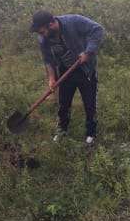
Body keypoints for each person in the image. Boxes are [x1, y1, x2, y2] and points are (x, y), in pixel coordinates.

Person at [29, 10, 104, 145]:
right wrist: (51, 79)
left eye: (41, 31)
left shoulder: (74, 21)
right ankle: (61, 131)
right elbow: (48, 60)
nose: (40, 35)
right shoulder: (43, 39)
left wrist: (88, 52)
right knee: (63, 105)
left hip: (85, 70)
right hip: (65, 72)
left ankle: (91, 135)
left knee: (90, 104)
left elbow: (97, 30)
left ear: (51, 24)